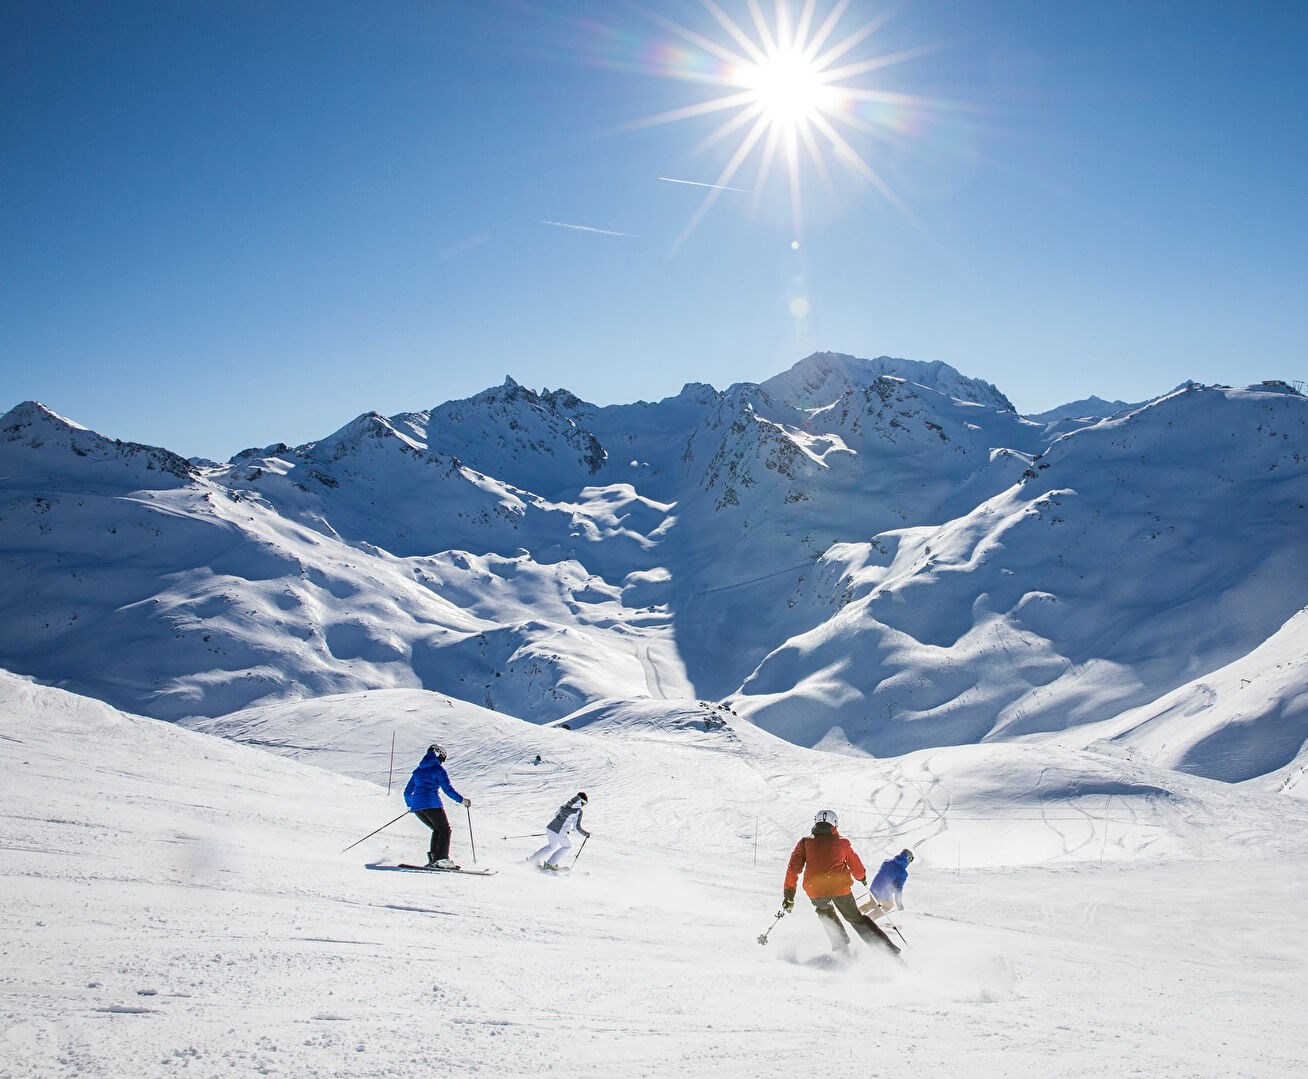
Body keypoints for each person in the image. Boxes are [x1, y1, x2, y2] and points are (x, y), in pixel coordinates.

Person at [783, 810, 899, 958]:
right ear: (835, 824)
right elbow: (855, 863)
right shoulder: (842, 842)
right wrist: (861, 877)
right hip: (839, 887)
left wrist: (789, 895)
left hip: (815, 889)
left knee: (826, 913)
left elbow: (793, 869)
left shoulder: (805, 842)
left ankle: (842, 951)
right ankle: (888, 952)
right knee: (855, 918)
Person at [403, 743, 471, 869]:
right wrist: (463, 801)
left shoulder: (418, 771)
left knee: (437, 829)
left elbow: (407, 792)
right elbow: (448, 790)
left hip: (418, 807)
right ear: (439, 755)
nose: (442, 761)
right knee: (444, 829)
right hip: (432, 804)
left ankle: (435, 859)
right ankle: (442, 860)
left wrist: (411, 805)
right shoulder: (438, 770)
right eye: (442, 758)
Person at [529, 792, 591, 869]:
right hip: (559, 831)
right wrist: (586, 834)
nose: (583, 805)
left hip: (550, 827)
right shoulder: (578, 811)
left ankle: (532, 860)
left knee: (551, 846)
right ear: (580, 801)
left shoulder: (564, 805)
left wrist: (565, 828)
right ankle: (550, 864)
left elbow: (556, 816)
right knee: (567, 846)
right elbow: (576, 828)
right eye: (584, 803)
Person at [869, 848, 914, 913]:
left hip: (873, 888)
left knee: (872, 903)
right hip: (883, 894)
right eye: (911, 859)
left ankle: (857, 914)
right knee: (888, 906)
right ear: (908, 859)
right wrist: (899, 904)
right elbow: (898, 889)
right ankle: (870, 918)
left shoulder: (887, 861)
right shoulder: (902, 873)